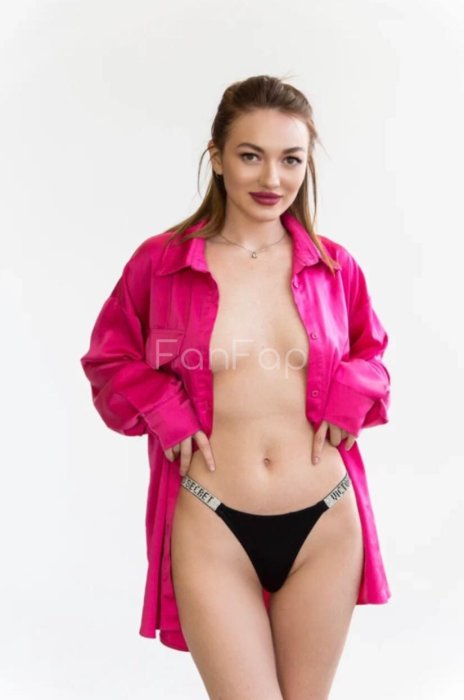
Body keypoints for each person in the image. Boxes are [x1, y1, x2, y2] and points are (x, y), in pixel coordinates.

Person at [80, 74, 392, 700]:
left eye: (291, 159)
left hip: (326, 521)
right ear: (218, 158)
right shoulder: (161, 263)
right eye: (251, 155)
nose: (272, 178)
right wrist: (164, 407)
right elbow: (108, 360)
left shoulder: (334, 266)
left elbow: (373, 357)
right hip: (212, 520)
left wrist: (350, 394)